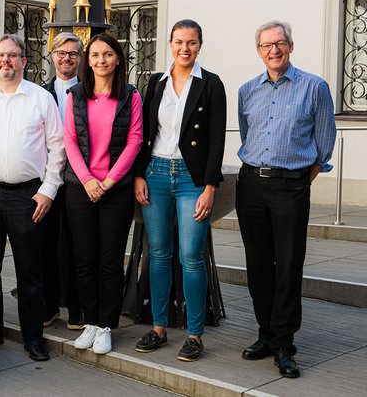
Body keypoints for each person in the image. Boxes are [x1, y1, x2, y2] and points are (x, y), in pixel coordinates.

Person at [236, 20, 336, 378]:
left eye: (279, 43)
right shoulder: (247, 90)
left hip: (291, 186)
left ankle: (284, 343)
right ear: (259, 51)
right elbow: (247, 135)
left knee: (288, 265)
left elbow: (324, 145)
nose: (273, 50)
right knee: (258, 265)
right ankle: (266, 334)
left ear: (290, 47)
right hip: (250, 185)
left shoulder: (314, 87)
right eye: (266, 45)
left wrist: (300, 182)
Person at [0, 34, 66, 362]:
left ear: (24, 61)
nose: (6, 60)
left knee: (29, 269)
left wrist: (48, 190)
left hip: (27, 196)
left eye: (13, 55)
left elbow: (57, 148)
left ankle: (33, 337)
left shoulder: (40, 99)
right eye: (0, 55)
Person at [133, 19, 226, 362]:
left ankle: (194, 335)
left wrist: (210, 186)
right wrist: (139, 175)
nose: (184, 48)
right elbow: (143, 133)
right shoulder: (155, 82)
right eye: (178, 42)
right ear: (169, 44)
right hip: (155, 172)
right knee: (157, 253)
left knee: (190, 256)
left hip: (192, 178)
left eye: (191, 42)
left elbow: (217, 140)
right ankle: (158, 329)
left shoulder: (211, 84)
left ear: (200, 45)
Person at [66, 34, 142, 355]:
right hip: (81, 189)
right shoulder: (75, 96)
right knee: (85, 260)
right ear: (88, 60)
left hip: (115, 190)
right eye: (95, 54)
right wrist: (87, 180)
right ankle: (91, 322)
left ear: (118, 59)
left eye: (108, 54)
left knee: (111, 261)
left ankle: (107, 326)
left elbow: (135, 141)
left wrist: (108, 182)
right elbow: (69, 140)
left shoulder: (130, 96)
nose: (101, 60)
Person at [40, 32, 84, 330]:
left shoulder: (90, 91)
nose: (66, 58)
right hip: (46, 179)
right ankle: (50, 304)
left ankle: (77, 308)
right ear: (52, 55)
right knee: (46, 244)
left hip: (80, 179)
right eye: (61, 52)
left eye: (73, 53)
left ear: (80, 59)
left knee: (77, 245)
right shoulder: (39, 93)